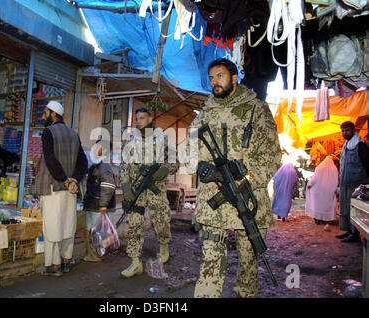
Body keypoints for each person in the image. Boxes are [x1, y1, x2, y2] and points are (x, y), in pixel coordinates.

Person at [185, 58, 281, 298]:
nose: (215, 82)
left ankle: (245, 293)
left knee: (249, 260)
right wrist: (202, 167)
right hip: (213, 198)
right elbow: (189, 150)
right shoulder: (205, 112)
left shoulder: (256, 109)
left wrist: (247, 178)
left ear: (234, 78)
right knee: (210, 258)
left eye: (220, 76)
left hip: (247, 198)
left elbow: (272, 155)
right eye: (211, 78)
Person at [119, 107, 179, 278]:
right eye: (137, 118)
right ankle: (135, 262)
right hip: (137, 189)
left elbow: (175, 162)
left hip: (156, 189)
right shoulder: (130, 141)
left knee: (161, 221)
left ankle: (163, 245)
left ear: (150, 118)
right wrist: (125, 186)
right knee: (135, 224)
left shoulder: (163, 139)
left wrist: (166, 169)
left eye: (142, 118)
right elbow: (124, 165)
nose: (139, 121)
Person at [35, 101, 88, 276]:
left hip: (53, 187)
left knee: (52, 227)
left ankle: (54, 265)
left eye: (45, 113)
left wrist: (64, 180)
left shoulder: (48, 132)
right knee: (67, 226)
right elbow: (83, 163)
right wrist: (74, 181)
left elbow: (50, 160)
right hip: (70, 190)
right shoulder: (74, 134)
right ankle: (66, 260)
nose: (43, 116)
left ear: (53, 114)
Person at [335, 121, 369, 243]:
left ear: (353, 130)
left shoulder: (360, 144)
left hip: (356, 184)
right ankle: (349, 231)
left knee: (354, 210)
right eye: (343, 131)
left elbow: (367, 163)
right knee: (345, 209)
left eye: (347, 130)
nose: (345, 133)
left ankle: (355, 234)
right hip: (345, 184)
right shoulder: (346, 145)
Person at [83, 139, 116, 262]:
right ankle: (95, 254)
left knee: (95, 231)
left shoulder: (103, 166)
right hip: (95, 204)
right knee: (95, 231)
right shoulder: (97, 165)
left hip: (98, 205)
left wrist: (103, 205)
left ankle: (96, 255)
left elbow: (108, 187)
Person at [305, 156, 339, 227]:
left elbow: (314, 178)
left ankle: (317, 219)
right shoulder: (334, 169)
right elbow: (336, 182)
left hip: (317, 191)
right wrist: (335, 190)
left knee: (317, 205)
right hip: (328, 192)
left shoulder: (319, 167)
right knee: (326, 206)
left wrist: (310, 184)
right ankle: (325, 219)